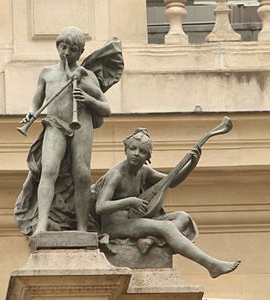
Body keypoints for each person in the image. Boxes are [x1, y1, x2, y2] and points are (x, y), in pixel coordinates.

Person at [94, 128, 240, 278]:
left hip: (133, 219)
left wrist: (191, 164)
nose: (136, 153)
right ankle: (211, 265)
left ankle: (150, 239)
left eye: (142, 151)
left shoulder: (144, 171)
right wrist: (130, 201)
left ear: (148, 156)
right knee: (167, 227)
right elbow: (101, 206)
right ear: (126, 150)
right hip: (116, 225)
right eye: (132, 148)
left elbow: (172, 181)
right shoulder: (117, 174)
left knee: (183, 217)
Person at [19, 26, 111, 235]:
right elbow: (36, 102)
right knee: (48, 170)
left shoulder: (86, 76)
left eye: (72, 49)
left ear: (80, 53)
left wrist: (87, 99)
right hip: (55, 124)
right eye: (63, 47)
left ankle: (81, 227)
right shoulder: (47, 74)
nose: (66, 53)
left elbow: (106, 108)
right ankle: (42, 224)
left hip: (81, 125)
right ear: (57, 47)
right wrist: (31, 113)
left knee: (82, 174)